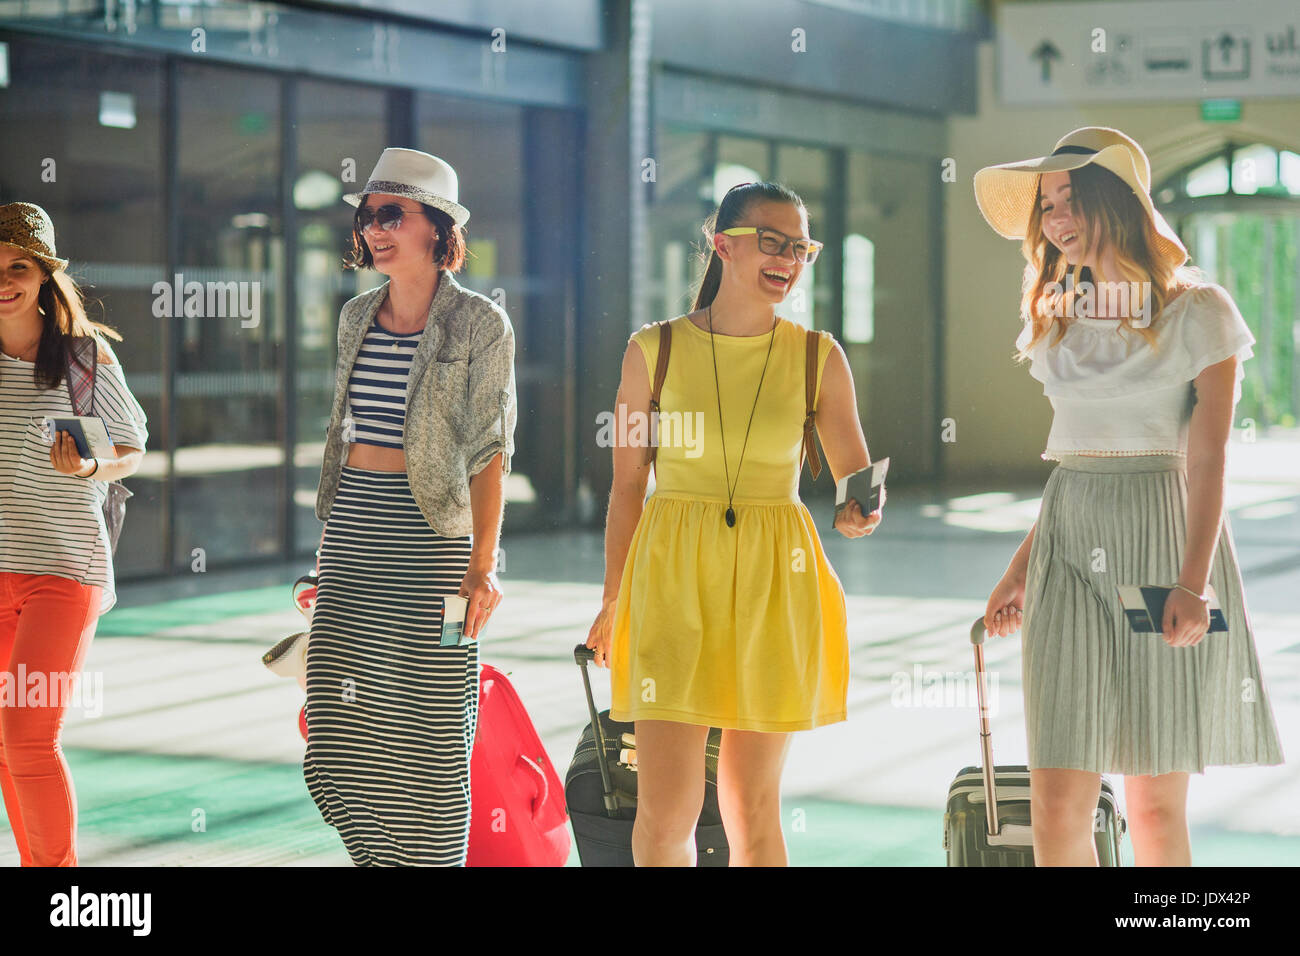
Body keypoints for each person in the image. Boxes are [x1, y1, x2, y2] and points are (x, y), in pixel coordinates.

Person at [974, 127, 1284, 866]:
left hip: (1163, 538)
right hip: (1066, 539)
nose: (1053, 219)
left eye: (1068, 198)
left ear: (1117, 202)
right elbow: (1073, 462)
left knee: (1151, 801)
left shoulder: (1199, 309)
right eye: (1046, 205)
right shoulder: (1057, 311)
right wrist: (1021, 567)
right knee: (1055, 803)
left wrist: (1193, 581)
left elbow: (1207, 458)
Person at [585, 181, 883, 866]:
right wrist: (614, 596)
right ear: (723, 245)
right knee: (665, 813)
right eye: (771, 242)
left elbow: (858, 476)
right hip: (669, 578)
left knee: (751, 806)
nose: (788, 259)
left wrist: (860, 507)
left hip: (775, 582)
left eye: (800, 248)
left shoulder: (818, 356)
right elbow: (628, 486)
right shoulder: (652, 351)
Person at [303, 148, 517, 866]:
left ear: (438, 227)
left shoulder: (481, 323)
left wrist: (482, 566)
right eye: (368, 218)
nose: (375, 231)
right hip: (356, 525)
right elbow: (344, 431)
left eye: (392, 215)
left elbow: (490, 450)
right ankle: (376, 857)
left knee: (428, 725)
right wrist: (327, 553)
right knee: (338, 723)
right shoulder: (356, 315)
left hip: (433, 540)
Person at [0, 202, 148, 866]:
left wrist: (92, 463)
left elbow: (132, 448)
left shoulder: (84, 360)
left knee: (29, 734)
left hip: (65, 567)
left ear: (43, 276)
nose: (4, 281)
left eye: (18, 267)